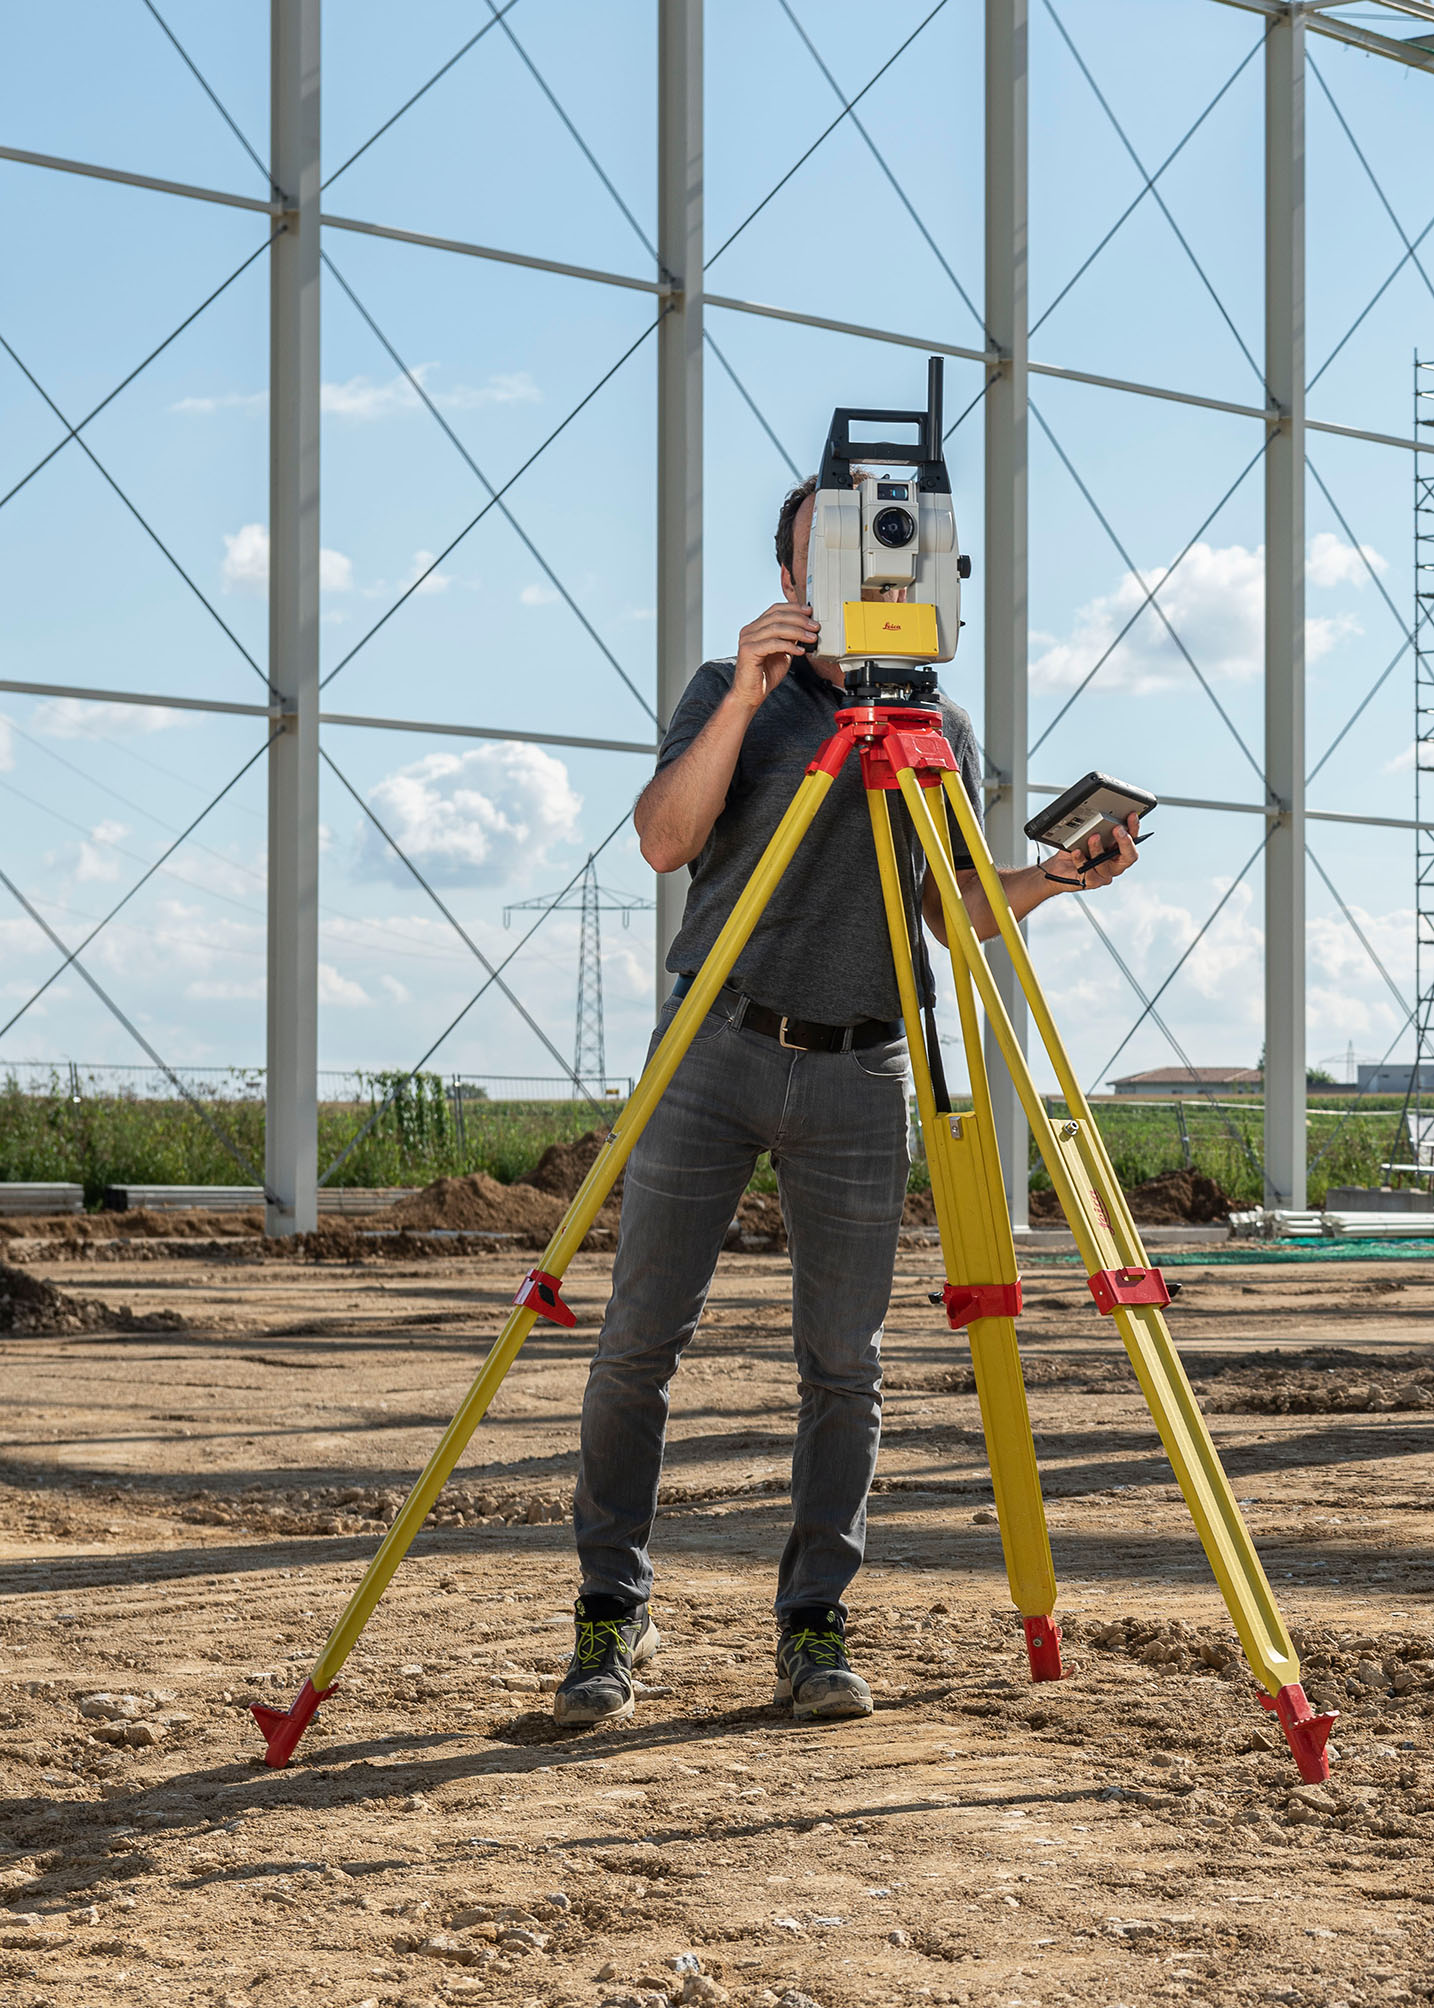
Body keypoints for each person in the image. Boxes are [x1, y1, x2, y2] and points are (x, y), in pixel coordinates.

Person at [553, 474, 1140, 1727]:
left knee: (845, 1366)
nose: (875, 580)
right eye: (836, 561)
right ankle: (612, 1609)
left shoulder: (944, 732)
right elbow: (662, 840)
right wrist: (753, 697)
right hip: (712, 1046)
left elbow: (955, 911)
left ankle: (813, 1620)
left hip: (866, 1065)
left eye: (896, 556)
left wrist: (1055, 879)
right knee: (635, 1346)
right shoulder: (728, 693)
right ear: (791, 584)